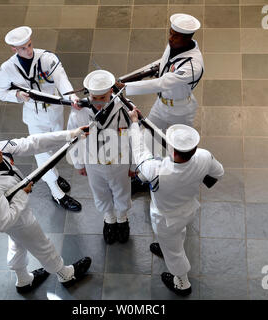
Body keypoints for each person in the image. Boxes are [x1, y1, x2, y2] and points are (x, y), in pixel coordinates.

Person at [0, 129, 92, 293]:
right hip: (19, 221)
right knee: (43, 246)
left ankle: (23, 281)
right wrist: (22, 194)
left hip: (17, 217)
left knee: (18, 245)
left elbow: (33, 142)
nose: (0, 152)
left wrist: (69, 134)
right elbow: (2, 223)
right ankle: (65, 275)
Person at [128, 107, 224, 296]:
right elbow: (219, 173)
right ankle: (169, 246)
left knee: (175, 254)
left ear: (171, 150)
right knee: (176, 237)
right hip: (187, 210)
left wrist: (133, 123)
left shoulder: (156, 170)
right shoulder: (203, 156)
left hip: (166, 220)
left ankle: (182, 281)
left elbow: (140, 153)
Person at [0, 26, 81, 212]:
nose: (29, 50)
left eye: (30, 45)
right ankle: (57, 192)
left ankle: (54, 175)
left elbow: (61, 79)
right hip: (35, 115)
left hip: (55, 111)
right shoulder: (8, 68)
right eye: (23, 48)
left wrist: (71, 96)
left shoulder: (47, 58)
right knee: (42, 152)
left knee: (55, 146)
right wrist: (16, 95)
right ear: (14, 50)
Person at [67, 70, 134, 245]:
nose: (97, 103)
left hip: (119, 161)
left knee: (122, 190)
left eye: (102, 97)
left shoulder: (125, 109)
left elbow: (135, 139)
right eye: (93, 97)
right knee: (100, 192)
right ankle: (109, 219)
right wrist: (79, 163)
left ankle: (122, 218)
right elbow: (74, 140)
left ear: (111, 92)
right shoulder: (79, 113)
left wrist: (133, 166)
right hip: (93, 163)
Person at [118, 13, 204, 130]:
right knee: (148, 133)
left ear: (187, 39)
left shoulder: (193, 66)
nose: (170, 38)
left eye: (175, 36)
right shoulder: (174, 45)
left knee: (181, 142)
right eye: (170, 33)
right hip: (160, 105)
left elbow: (161, 83)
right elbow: (162, 62)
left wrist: (124, 87)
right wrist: (129, 77)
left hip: (180, 112)